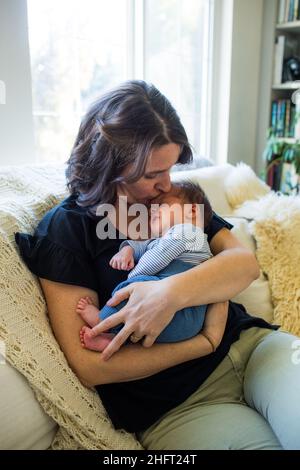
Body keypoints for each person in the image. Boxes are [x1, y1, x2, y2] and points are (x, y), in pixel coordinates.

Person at [15, 80, 300, 449]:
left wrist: (169, 293)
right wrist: (203, 342)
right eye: (153, 174)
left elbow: (242, 264)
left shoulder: (173, 200)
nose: (167, 183)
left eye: (172, 167)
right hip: (180, 407)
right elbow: (90, 365)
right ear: (110, 164)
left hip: (254, 348)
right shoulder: (67, 229)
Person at [77, 180, 217, 351]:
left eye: (161, 206)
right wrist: (127, 250)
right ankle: (112, 338)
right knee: (144, 294)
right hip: (180, 322)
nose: (153, 212)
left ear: (192, 210)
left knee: (141, 284)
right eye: (151, 211)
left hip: (183, 314)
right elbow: (144, 245)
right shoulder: (167, 238)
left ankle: (103, 321)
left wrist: (133, 278)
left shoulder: (188, 232)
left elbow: (157, 257)